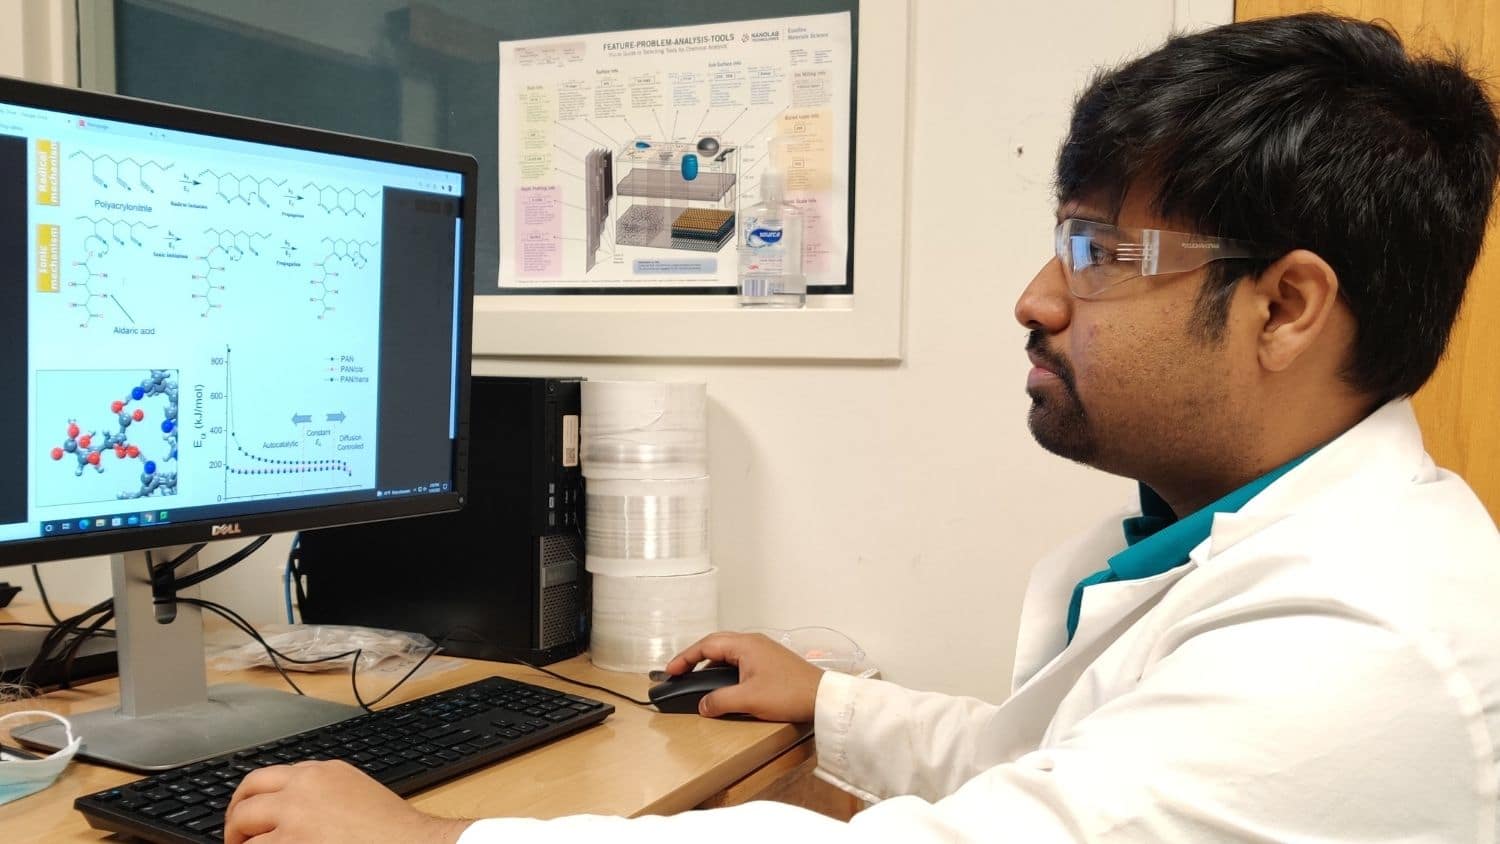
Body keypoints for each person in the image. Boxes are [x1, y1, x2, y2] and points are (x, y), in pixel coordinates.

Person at [224, 13, 1500, 843]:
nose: (1038, 297)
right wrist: (832, 701)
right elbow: (1040, 769)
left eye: (1100, 250)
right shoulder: (1237, 545)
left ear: (1286, 305)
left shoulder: (1358, 644)